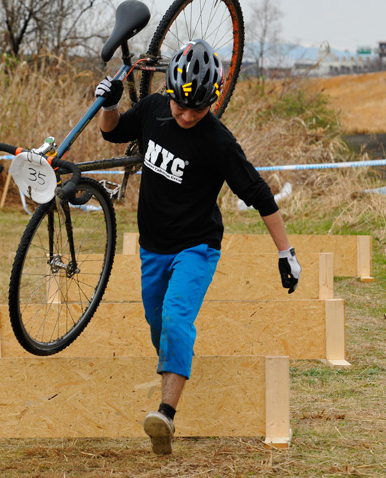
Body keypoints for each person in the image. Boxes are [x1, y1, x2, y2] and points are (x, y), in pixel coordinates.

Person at [94, 39, 301, 455]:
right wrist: (109, 103)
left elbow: (260, 195)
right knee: (158, 321)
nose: (187, 116)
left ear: (214, 99)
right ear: (169, 91)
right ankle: (177, 360)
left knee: (174, 316)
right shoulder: (154, 109)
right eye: (180, 106)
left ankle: (165, 415)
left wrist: (286, 253)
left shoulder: (218, 143)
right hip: (153, 246)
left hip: (197, 247)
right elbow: (112, 133)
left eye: (198, 109)